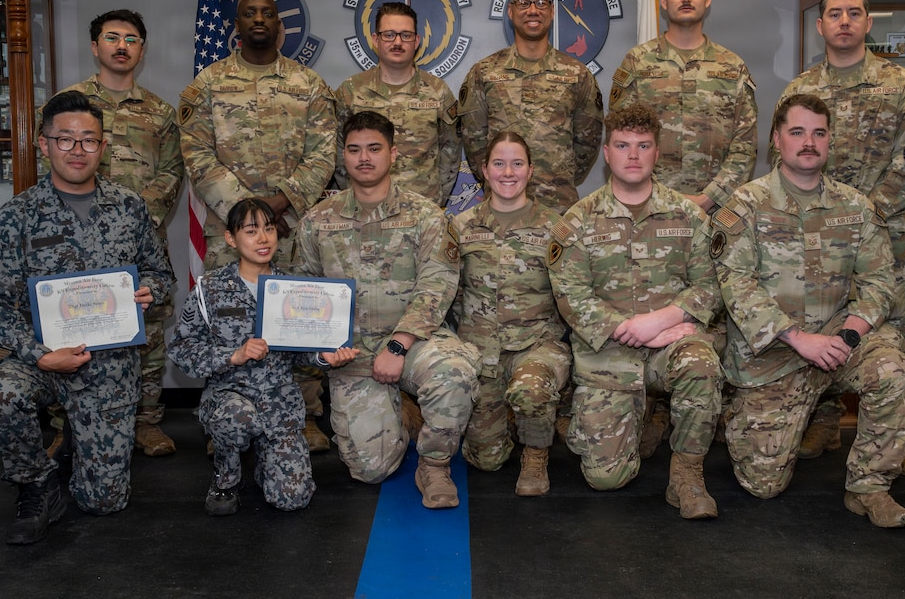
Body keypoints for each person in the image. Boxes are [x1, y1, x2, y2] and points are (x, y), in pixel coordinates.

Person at [0, 91, 175, 545]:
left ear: (103, 147)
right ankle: (36, 485)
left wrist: (150, 289)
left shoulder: (129, 206)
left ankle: (75, 441)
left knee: (104, 502)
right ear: (43, 144)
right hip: (42, 358)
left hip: (110, 362)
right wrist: (39, 355)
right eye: (65, 139)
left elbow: (161, 273)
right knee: (1, 393)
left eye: (89, 140)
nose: (77, 150)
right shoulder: (17, 216)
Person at [712, 93, 905, 528]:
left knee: (891, 369)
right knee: (762, 485)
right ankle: (742, 411)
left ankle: (870, 487)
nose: (809, 142)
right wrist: (799, 339)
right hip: (773, 353)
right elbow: (736, 285)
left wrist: (848, 336)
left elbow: (880, 283)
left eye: (819, 133)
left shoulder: (855, 207)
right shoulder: (745, 205)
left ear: (829, 140)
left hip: (839, 342)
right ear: (776, 139)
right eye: (798, 132)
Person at [179, 0, 338, 453]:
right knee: (228, 325)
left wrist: (282, 203)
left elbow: (323, 153)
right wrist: (251, 217)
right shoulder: (208, 84)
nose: (259, 19)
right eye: (249, 13)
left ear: (279, 24)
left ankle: (303, 415)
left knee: (300, 321)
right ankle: (226, 417)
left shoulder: (308, 84)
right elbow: (197, 154)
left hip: (293, 228)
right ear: (237, 24)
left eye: (268, 13)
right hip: (231, 233)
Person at [779, 0, 905, 474]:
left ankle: (904, 435)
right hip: (815, 235)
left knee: (893, 329)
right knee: (818, 321)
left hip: (881, 230)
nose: (844, 21)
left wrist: (866, 213)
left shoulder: (899, 85)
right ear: (820, 25)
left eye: (854, 13)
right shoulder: (801, 89)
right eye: (835, 14)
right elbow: (786, 159)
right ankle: (824, 421)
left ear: (867, 22)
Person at [548, 104, 723, 519]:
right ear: (606, 153)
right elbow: (570, 294)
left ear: (656, 153)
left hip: (672, 344)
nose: (633, 155)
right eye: (623, 145)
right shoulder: (578, 220)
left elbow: (712, 285)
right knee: (606, 478)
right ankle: (636, 418)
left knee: (701, 365)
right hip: (608, 353)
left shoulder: (688, 216)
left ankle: (687, 475)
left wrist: (662, 321)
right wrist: (631, 327)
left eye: (643, 146)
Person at [296, 110, 478, 509]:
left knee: (454, 373)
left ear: (393, 154)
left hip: (414, 342)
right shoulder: (317, 221)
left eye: (374, 148)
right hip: (352, 354)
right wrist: (321, 349)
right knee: (370, 469)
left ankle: (434, 465)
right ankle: (399, 412)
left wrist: (398, 345)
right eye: (354, 149)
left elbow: (437, 285)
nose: (364, 158)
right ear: (343, 156)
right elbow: (304, 293)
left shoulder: (425, 215)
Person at [43, 9, 185, 459]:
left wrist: (136, 219)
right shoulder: (68, 104)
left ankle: (145, 422)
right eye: (111, 37)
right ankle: (68, 426)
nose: (121, 46)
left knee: (146, 327)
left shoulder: (160, 112)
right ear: (95, 46)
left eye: (131, 39)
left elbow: (172, 171)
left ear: (142, 50)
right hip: (73, 239)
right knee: (72, 324)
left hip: (140, 239)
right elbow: (53, 163)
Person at [169, 198, 356, 516]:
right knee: (237, 419)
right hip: (230, 398)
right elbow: (181, 349)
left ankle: (266, 465)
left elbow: (301, 353)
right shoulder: (209, 289)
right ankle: (226, 477)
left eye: (269, 229)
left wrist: (324, 356)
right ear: (231, 239)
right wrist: (233, 355)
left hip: (279, 402)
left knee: (292, 498)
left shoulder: (292, 289)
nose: (263, 238)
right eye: (251, 230)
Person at [453, 131, 570, 496]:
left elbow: (572, 294)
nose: (508, 172)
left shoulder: (556, 228)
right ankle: (507, 419)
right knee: (486, 460)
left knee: (531, 389)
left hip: (536, 344)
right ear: (484, 170)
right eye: (499, 163)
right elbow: (448, 291)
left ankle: (535, 454)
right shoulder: (460, 226)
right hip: (481, 351)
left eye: (517, 164)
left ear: (530, 170)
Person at [610, 0, 757, 213]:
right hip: (649, 206)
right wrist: (658, 195)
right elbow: (621, 137)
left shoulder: (732, 67)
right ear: (664, 1)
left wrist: (710, 197)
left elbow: (745, 144)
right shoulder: (637, 62)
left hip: (717, 209)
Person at [457, 0, 603, 212]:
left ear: (552, 11)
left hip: (557, 208)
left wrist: (554, 177)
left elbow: (587, 144)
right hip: (501, 207)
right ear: (510, 11)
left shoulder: (577, 74)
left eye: (541, 3)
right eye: (524, 3)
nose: (533, 10)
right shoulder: (484, 73)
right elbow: (474, 143)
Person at [334, 2, 460, 205]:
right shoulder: (351, 91)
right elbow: (338, 152)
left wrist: (434, 202)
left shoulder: (437, 91)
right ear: (376, 39)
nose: (398, 42)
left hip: (422, 210)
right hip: (366, 209)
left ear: (416, 41)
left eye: (406, 35)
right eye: (389, 35)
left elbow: (451, 151)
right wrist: (355, 195)